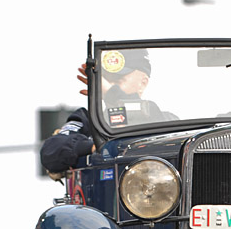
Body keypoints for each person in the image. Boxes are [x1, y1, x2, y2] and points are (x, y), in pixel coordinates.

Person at [40, 48, 175, 177]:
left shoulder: (163, 119)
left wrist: (114, 95)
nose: (107, 86)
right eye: (106, 79)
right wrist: (94, 147)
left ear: (143, 83)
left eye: (118, 81)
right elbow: (50, 152)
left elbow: (151, 124)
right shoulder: (88, 120)